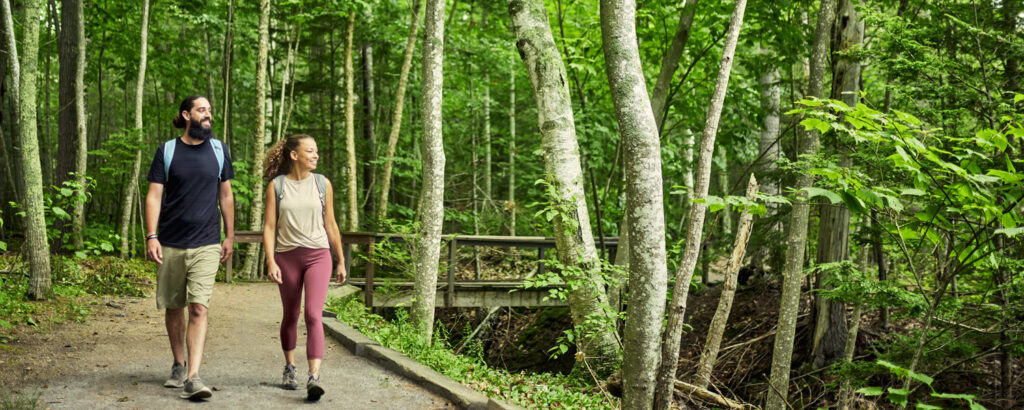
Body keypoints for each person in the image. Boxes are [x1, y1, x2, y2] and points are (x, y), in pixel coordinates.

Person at [145, 96, 235, 400]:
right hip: (170, 241)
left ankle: (194, 376)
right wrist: (151, 235)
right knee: (174, 306)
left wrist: (230, 235)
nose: (208, 115)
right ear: (186, 115)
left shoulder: (219, 151)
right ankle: (178, 364)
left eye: (209, 110)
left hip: (207, 241)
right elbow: (154, 196)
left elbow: (226, 196)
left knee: (199, 307)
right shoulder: (167, 151)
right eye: (201, 110)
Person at [262, 134, 346, 402]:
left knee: (313, 314)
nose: (316, 155)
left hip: (318, 255)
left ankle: (314, 376)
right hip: (286, 257)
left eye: (317, 151)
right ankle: (290, 367)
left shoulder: (322, 184)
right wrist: (270, 260)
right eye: (310, 151)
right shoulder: (277, 186)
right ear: (294, 155)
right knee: (290, 315)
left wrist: (341, 258)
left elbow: (331, 224)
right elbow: (269, 227)